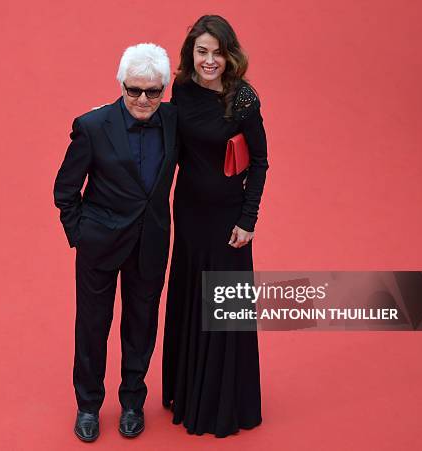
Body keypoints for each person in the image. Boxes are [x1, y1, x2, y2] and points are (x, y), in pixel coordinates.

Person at [53, 43, 177, 442]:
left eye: (152, 91)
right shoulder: (92, 126)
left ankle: (132, 403)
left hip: (151, 243)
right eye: (133, 89)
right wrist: (81, 236)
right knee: (92, 327)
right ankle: (88, 405)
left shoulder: (175, 122)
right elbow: (65, 190)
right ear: (120, 85)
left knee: (141, 326)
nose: (142, 99)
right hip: (99, 245)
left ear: (165, 88)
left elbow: (216, 120)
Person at [162, 15, 269, 438]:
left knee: (223, 305)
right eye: (202, 51)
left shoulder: (243, 98)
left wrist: (248, 220)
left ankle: (223, 403)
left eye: (218, 53)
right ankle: (187, 391)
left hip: (227, 219)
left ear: (230, 55)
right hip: (187, 212)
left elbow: (259, 162)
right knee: (190, 294)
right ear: (191, 53)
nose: (210, 60)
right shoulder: (182, 89)